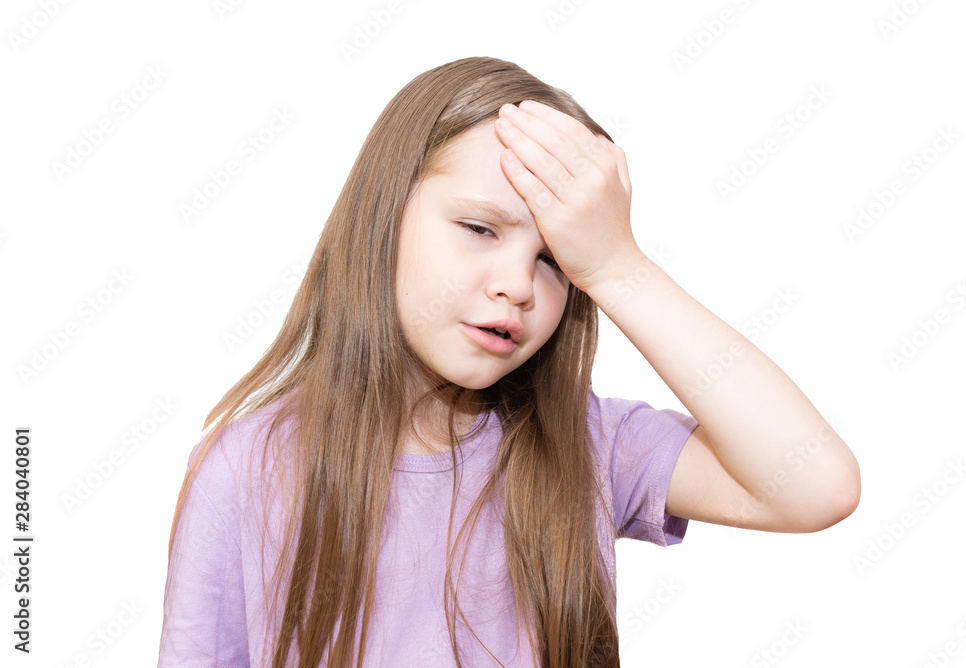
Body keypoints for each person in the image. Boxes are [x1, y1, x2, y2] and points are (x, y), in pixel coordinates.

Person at [156, 56, 861, 668]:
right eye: (478, 229)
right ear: (384, 213)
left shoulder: (588, 445)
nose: (518, 285)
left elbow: (815, 484)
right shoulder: (245, 469)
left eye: (555, 262)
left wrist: (617, 266)